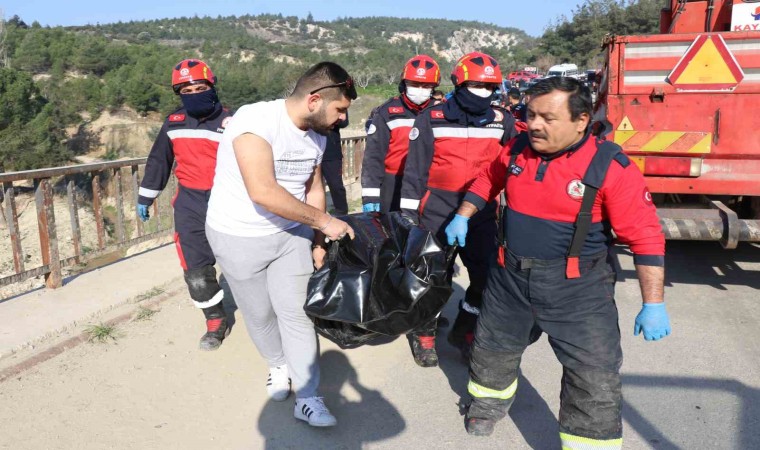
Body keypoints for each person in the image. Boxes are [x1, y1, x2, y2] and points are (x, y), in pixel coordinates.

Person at [445, 77, 671, 445]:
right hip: (509, 279)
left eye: (548, 118)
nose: (535, 124)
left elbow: (645, 237)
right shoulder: (517, 149)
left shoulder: (609, 166)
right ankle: (486, 406)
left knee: (592, 374)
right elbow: (488, 178)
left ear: (581, 121)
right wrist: (464, 214)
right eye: (531, 114)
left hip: (578, 290)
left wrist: (654, 303)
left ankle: (588, 442)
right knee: (493, 350)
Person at [204, 62, 356, 427]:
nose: (342, 119)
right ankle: (277, 364)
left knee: (297, 314)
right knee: (259, 314)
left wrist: (317, 241)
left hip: (291, 236)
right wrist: (326, 222)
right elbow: (263, 191)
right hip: (237, 236)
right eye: (339, 110)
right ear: (314, 100)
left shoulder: (318, 134)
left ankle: (308, 397)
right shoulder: (255, 121)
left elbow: (314, 189)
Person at [399, 51, 517, 366]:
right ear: (459, 84)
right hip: (436, 210)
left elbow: (516, 164)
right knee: (431, 277)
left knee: (485, 278)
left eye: (489, 87)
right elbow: (415, 171)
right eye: (476, 85)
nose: (483, 92)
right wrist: (409, 217)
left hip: (481, 212)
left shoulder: (502, 120)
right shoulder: (432, 118)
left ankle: (465, 330)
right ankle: (423, 334)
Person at [137, 59, 233, 351]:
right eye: (186, 91)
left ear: (212, 87)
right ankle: (215, 320)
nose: (194, 94)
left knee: (244, 261)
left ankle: (264, 315)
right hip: (190, 202)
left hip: (230, 199)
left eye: (200, 88)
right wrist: (146, 196)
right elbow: (159, 160)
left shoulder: (233, 121)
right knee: (195, 268)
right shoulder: (174, 122)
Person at [361, 54, 441, 215]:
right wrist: (370, 197)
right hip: (393, 184)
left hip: (429, 184)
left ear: (434, 87)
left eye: (426, 85)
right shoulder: (387, 112)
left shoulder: (442, 112)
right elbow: (373, 158)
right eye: (414, 84)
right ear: (404, 84)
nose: (420, 89)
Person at [323, 113, 349, 215]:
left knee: (336, 185)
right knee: (312, 186)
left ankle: (342, 213)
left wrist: (329, 120)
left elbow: (344, 123)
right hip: (311, 150)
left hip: (331, 152)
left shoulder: (338, 105)